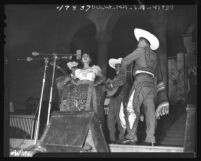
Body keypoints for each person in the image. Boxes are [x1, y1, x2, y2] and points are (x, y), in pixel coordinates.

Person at [121, 28, 169, 146]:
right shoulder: (155, 56)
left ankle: (132, 136)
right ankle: (151, 138)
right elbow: (159, 75)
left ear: (144, 42)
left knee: (131, 107)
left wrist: (127, 76)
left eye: (139, 41)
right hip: (151, 86)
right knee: (150, 111)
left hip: (140, 82)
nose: (138, 43)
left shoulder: (141, 50)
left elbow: (125, 61)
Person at [67, 53, 106, 125]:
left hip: (89, 90)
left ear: (90, 59)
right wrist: (75, 83)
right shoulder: (78, 70)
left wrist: (96, 83)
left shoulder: (94, 69)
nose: (85, 57)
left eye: (87, 56)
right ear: (81, 60)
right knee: (77, 108)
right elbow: (72, 79)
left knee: (89, 108)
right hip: (78, 91)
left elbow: (103, 78)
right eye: (83, 56)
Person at [106, 58, 131, 144]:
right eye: (116, 66)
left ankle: (121, 137)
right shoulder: (114, 78)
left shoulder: (124, 76)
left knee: (121, 118)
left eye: (119, 66)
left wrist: (110, 84)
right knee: (110, 119)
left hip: (121, 98)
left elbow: (121, 82)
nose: (117, 68)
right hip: (113, 99)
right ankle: (112, 138)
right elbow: (109, 89)